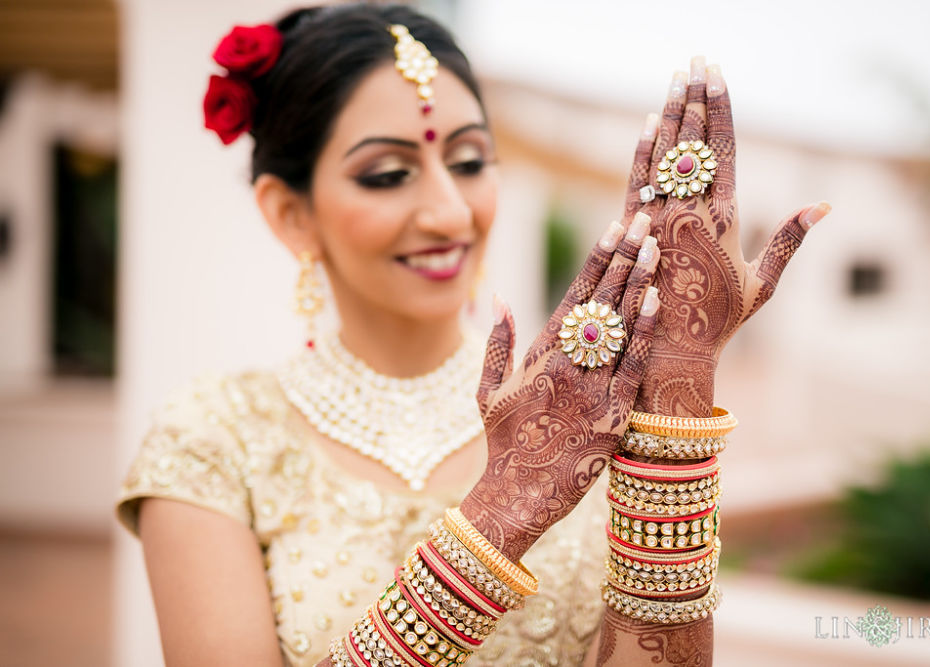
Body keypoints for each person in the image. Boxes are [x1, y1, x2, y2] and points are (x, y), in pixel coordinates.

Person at [116, 4, 830, 666]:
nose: (450, 210)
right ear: (290, 213)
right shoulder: (211, 438)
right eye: (389, 173)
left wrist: (677, 382)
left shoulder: (583, 404)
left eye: (468, 161)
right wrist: (499, 517)